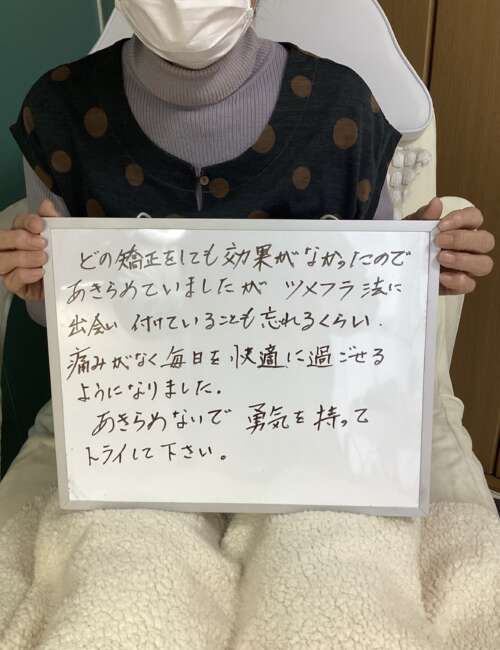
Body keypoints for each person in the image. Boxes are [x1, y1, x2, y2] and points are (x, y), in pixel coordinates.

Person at [0, 1, 497, 647]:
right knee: (116, 601)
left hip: (314, 425)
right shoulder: (59, 110)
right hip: (140, 422)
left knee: (341, 602)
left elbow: (368, 318)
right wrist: (39, 281)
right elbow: (64, 315)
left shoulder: (341, 106)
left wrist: (418, 273)